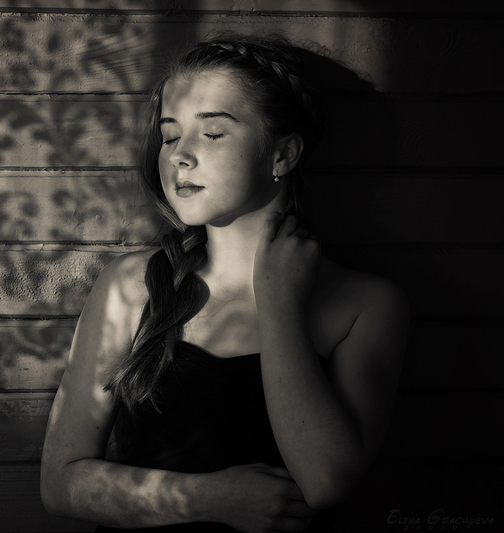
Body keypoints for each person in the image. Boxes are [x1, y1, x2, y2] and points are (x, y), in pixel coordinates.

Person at [40, 34, 409, 533]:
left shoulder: (367, 305)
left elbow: (324, 482)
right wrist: (211, 499)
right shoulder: (130, 287)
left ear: (283, 154)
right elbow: (60, 483)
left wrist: (279, 303)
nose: (179, 156)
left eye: (212, 133)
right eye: (170, 136)